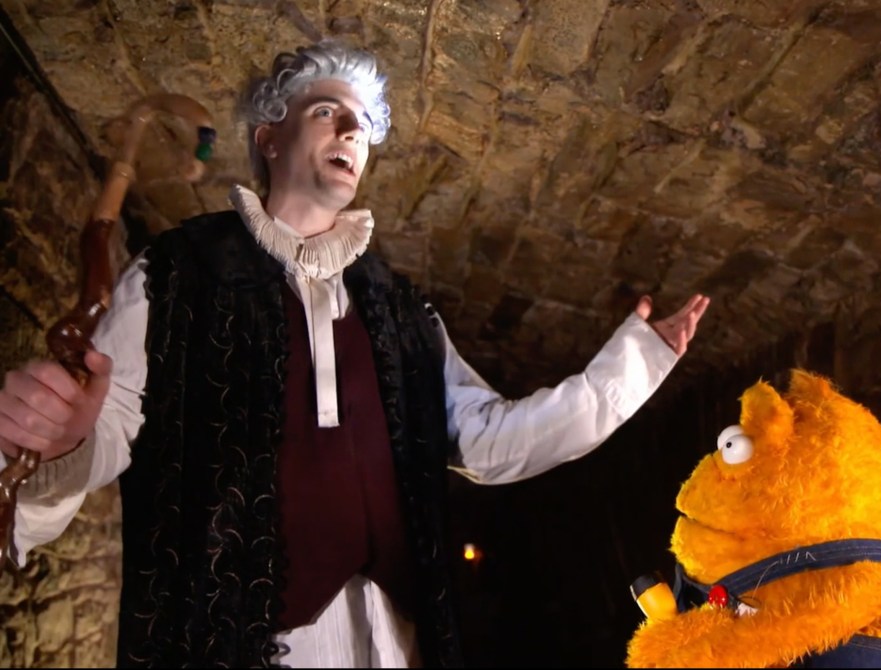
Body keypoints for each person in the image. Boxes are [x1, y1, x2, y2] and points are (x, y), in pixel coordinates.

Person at [0, 39, 710, 668]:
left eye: (364, 124)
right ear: (269, 137)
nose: (351, 131)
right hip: (234, 642)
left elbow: (489, 439)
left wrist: (628, 370)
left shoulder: (400, 309)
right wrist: (60, 443)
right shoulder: (178, 272)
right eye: (326, 111)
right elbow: (108, 426)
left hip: (394, 642)